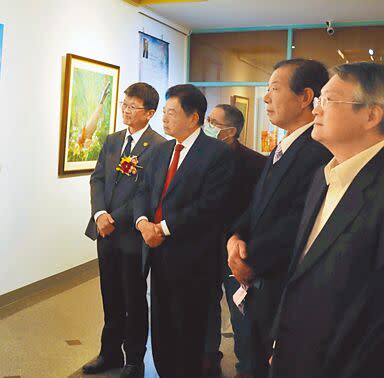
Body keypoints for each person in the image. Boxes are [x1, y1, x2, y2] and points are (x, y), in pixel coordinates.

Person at [270, 62, 384, 378]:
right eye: (318, 100)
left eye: (329, 100)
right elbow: (301, 271)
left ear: (371, 115)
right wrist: (281, 340)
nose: (316, 111)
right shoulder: (324, 176)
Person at [226, 59, 332, 378]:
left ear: (305, 97)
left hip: (282, 286)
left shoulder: (318, 151)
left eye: (274, 88)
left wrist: (250, 260)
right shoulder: (282, 147)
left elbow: (299, 221)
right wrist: (236, 236)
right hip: (260, 281)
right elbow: (258, 204)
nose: (266, 98)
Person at [134, 84, 234, 378]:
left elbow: (210, 205)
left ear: (193, 118)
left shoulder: (216, 153)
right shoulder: (161, 150)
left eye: (171, 113)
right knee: (161, 324)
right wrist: (142, 223)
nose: (164, 119)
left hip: (193, 258)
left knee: (188, 327)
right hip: (156, 253)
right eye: (164, 113)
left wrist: (162, 228)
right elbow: (142, 191)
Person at [83, 82, 165, 378]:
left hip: (131, 235)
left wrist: (114, 218)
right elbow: (98, 179)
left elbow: (147, 193)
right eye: (124, 105)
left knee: (133, 298)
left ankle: (134, 360)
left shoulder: (158, 146)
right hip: (104, 232)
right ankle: (109, 353)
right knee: (110, 295)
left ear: (149, 113)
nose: (126, 111)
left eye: (133, 107)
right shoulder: (113, 140)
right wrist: (100, 213)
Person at [202, 104, 266, 378]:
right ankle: (208, 356)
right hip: (203, 247)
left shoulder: (255, 163)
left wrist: (238, 238)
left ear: (229, 131)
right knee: (205, 304)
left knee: (240, 309)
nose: (207, 124)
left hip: (236, 248)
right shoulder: (200, 156)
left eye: (212, 121)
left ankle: (247, 364)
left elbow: (258, 207)